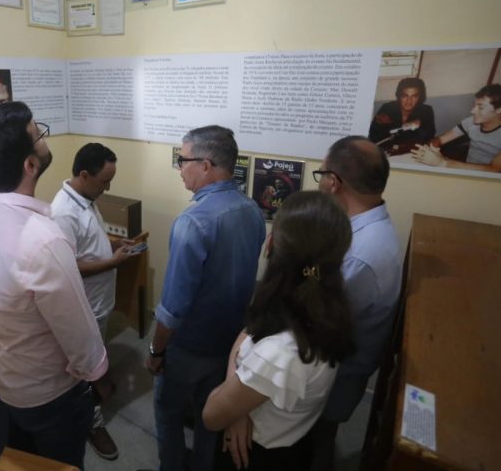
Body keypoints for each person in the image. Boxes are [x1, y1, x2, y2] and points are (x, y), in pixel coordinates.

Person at [0, 101, 111, 469]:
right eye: (37, 133)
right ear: (30, 164)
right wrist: (101, 378)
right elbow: (78, 334)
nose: (43, 136)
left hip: (1, 378)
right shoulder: (44, 240)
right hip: (51, 394)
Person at [202, 191, 354, 471]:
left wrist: (233, 404)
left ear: (271, 246)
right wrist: (239, 406)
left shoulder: (280, 353)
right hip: (295, 438)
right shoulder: (322, 306)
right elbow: (251, 330)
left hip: (254, 455)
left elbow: (212, 416)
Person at [145, 125, 266, 471]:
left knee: (167, 411)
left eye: (183, 160)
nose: (179, 168)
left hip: (190, 347)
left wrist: (156, 351)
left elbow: (173, 308)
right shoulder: (252, 210)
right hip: (230, 344)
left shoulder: (193, 222)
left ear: (206, 165)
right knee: (209, 415)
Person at [309, 135, 403, 469]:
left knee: (313, 445)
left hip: (332, 376)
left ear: (333, 182)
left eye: (321, 174)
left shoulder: (361, 256)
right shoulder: (368, 228)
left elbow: (316, 321)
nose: (320, 182)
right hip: (341, 368)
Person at [51, 142, 136, 461]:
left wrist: (111, 242)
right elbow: (67, 266)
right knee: (83, 369)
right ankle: (93, 423)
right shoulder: (63, 213)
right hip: (84, 308)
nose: (108, 188)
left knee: (95, 356)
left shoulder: (86, 198)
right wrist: (112, 262)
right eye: (104, 181)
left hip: (99, 303)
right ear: (84, 175)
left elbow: (86, 241)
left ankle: (98, 390)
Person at [411, 84, 501, 174]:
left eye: (480, 107)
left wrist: (443, 162)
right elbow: (439, 139)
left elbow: (495, 169)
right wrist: (431, 149)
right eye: (474, 105)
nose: (472, 111)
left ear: (500, 109)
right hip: (467, 171)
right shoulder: (471, 122)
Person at [369, 77, 435, 150]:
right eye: (404, 96)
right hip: (387, 151)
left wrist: (392, 127)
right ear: (399, 96)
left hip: (412, 152)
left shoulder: (426, 110)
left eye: (414, 96)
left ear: (420, 97)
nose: (409, 101)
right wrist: (410, 125)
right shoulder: (388, 108)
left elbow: (427, 136)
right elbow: (374, 136)